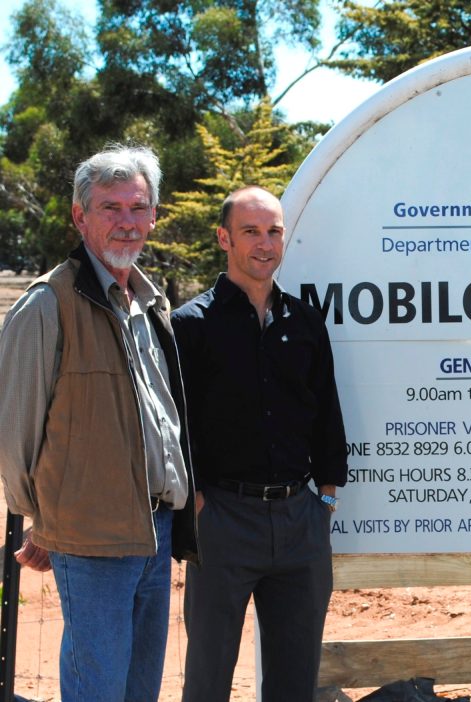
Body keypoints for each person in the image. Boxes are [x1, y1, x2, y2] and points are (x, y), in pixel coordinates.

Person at [0, 145, 199, 702]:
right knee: (98, 690)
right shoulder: (47, 304)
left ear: (154, 217)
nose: (126, 222)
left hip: (154, 532)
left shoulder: (148, 302)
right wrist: (48, 520)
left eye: (138, 208)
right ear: (79, 216)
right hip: (90, 540)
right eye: (110, 208)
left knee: (139, 689)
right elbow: (15, 437)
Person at [172, 185, 347, 702]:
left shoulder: (306, 321)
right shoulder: (189, 325)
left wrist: (327, 498)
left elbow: (327, 414)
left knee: (295, 682)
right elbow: (175, 427)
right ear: (224, 238)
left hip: (301, 523)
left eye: (273, 231)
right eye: (251, 231)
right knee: (208, 679)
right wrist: (199, 504)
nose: (264, 243)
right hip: (222, 520)